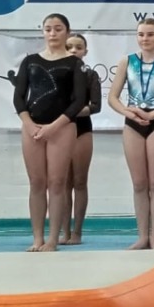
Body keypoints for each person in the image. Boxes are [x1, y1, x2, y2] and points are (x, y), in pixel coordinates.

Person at [107, 18, 154, 250]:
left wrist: (151, 115)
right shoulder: (127, 61)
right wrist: (128, 113)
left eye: (150, 34)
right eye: (141, 34)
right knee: (139, 184)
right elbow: (112, 97)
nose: (145, 39)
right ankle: (142, 236)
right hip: (133, 123)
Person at [13, 12, 87, 252]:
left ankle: (53, 238)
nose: (52, 33)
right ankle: (37, 238)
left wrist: (55, 126)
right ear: (43, 32)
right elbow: (19, 97)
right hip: (32, 127)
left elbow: (79, 101)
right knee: (36, 182)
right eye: (48, 29)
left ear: (67, 32)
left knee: (57, 182)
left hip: (62, 127)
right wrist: (29, 124)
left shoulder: (75, 63)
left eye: (58, 29)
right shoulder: (30, 61)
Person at [59, 32, 102, 244]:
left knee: (79, 181)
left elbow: (95, 106)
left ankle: (77, 233)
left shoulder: (90, 75)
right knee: (62, 183)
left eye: (78, 47)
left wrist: (69, 113)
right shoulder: (56, 74)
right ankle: (64, 232)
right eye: (69, 47)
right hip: (59, 130)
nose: (73, 51)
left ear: (85, 51)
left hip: (81, 129)